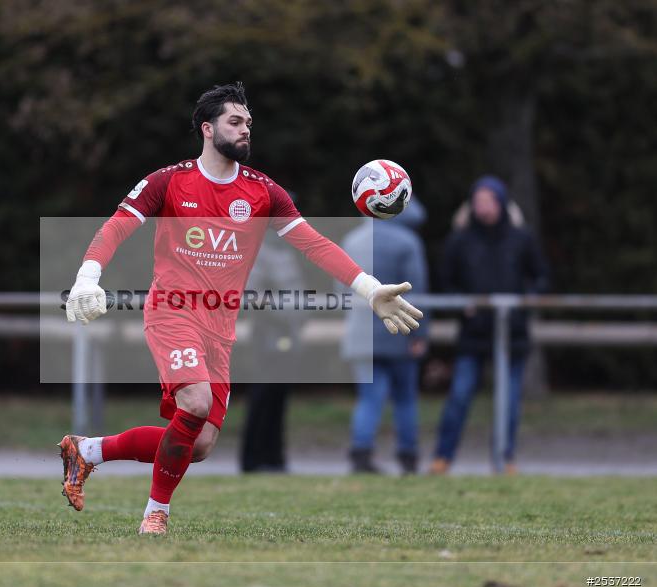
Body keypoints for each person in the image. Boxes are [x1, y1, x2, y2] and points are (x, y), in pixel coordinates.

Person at [58, 82, 423, 535]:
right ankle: (156, 514)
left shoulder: (263, 192)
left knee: (200, 443)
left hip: (220, 328)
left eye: (249, 122)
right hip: (172, 311)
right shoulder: (169, 182)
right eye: (236, 121)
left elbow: (315, 244)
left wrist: (369, 290)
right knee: (194, 403)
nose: (246, 128)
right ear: (208, 129)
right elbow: (115, 228)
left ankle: (86, 451)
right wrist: (88, 276)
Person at [430, 176, 549, 475]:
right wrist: (461, 304)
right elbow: (445, 282)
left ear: (502, 203)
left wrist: (525, 305)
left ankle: (504, 459)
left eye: (489, 200)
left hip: (512, 334)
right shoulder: (459, 240)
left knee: (508, 403)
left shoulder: (522, 238)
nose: (483, 207)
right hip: (473, 334)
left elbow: (542, 277)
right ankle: (442, 458)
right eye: (478, 201)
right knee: (459, 397)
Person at [341, 198, 429, 475]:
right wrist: (420, 334)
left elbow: (341, 286)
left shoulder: (353, 240)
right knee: (405, 399)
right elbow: (419, 291)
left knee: (369, 398)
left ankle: (361, 453)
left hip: (360, 334)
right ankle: (408, 456)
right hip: (400, 332)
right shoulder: (408, 242)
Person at [240, 234, 306, 473]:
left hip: (289, 331)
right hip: (269, 332)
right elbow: (252, 293)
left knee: (279, 397)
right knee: (262, 396)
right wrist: (278, 315)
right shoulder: (259, 251)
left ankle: (275, 458)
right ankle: (254, 459)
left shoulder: (285, 252)